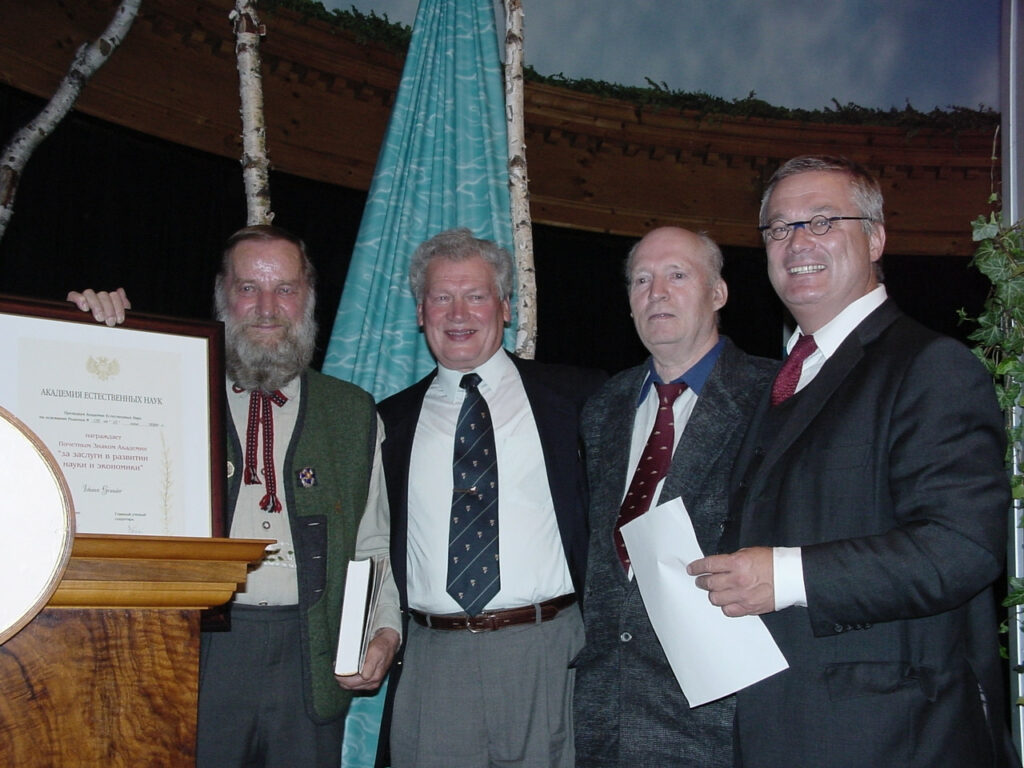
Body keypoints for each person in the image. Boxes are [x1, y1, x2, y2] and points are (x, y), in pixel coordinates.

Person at [689, 156, 1016, 767]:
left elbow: (962, 547)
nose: (797, 243)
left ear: (876, 239)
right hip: (779, 726)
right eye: (779, 228)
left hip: (892, 734)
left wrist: (784, 575)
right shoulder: (781, 379)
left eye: (822, 221)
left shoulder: (929, 366)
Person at [68, 224, 401, 768]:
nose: (267, 308)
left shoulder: (352, 412)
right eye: (249, 288)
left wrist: (384, 630)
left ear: (308, 298)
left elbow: (374, 545)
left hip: (309, 656)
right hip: (196, 651)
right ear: (223, 295)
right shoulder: (167, 386)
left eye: (285, 289)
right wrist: (90, 330)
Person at [375, 227, 605, 768]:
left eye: (476, 295)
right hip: (434, 660)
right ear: (420, 312)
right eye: (441, 297)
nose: (458, 313)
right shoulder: (388, 422)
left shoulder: (579, 399)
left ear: (504, 307)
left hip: (550, 652)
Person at [571, 226, 776, 767]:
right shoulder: (603, 408)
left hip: (726, 721)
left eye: (677, 275)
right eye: (642, 279)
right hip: (605, 718)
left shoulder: (775, 398)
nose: (656, 292)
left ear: (718, 292)